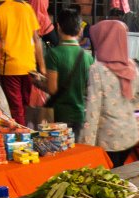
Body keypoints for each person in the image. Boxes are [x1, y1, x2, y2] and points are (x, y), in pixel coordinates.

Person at [81, 20, 139, 167]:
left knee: (109, 181)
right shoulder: (130, 65)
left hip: (109, 139)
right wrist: (125, 109)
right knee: (119, 176)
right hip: (129, 134)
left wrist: (86, 146)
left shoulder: (98, 69)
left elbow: (93, 110)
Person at [0, 0, 45, 126]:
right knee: (25, 105)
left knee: (16, 108)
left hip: (10, 67)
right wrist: (42, 67)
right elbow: (36, 39)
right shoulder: (27, 8)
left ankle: (22, 137)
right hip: (29, 66)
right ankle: (26, 134)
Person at [45, 8, 94, 139]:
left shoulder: (53, 54)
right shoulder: (87, 57)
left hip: (59, 116)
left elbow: (52, 89)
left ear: (58, 27)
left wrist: (39, 82)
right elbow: (90, 89)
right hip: (79, 115)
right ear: (80, 30)